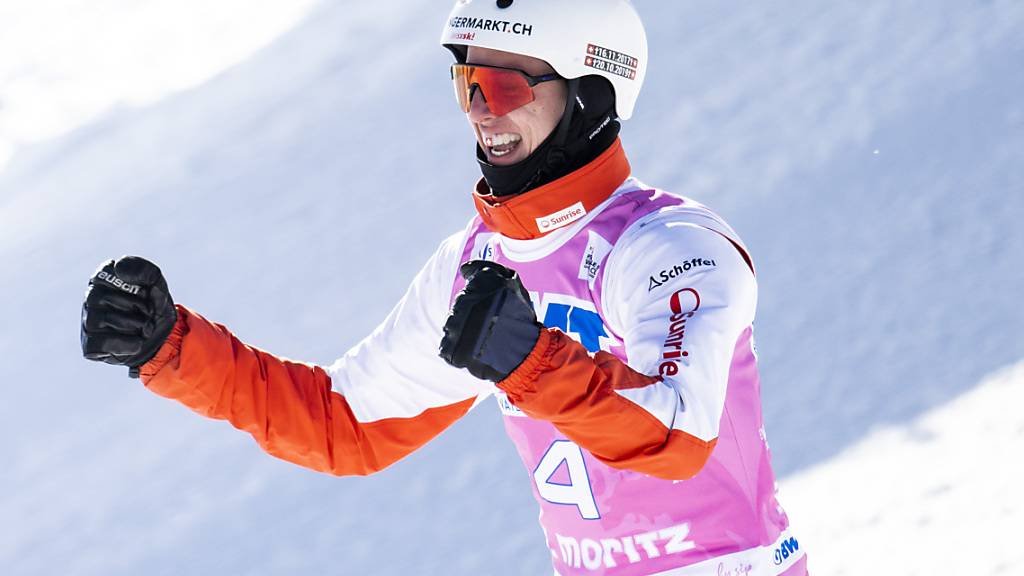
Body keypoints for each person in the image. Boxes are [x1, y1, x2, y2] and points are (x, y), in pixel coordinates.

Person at [80, 1, 807, 574]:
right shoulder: (479, 261)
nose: (481, 110)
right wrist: (170, 349)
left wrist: (532, 362)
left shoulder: (669, 249)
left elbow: (679, 437)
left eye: (504, 84)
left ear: (591, 92)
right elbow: (344, 425)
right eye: (466, 84)